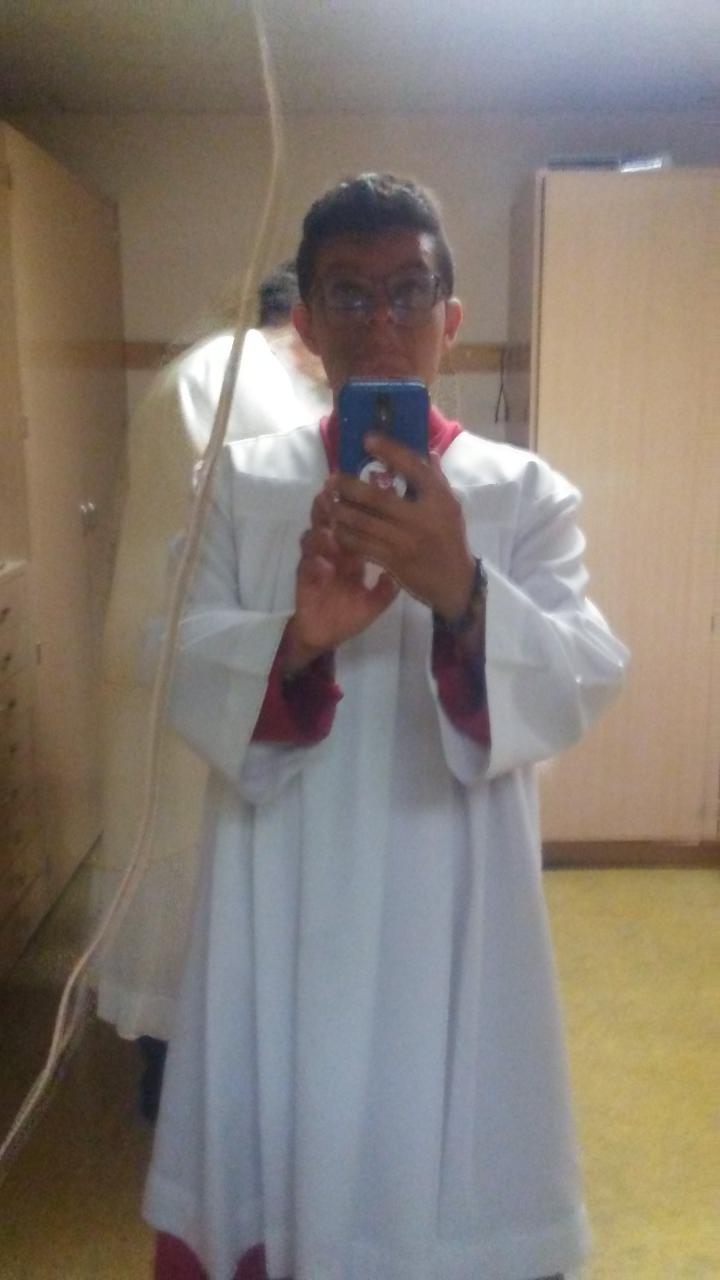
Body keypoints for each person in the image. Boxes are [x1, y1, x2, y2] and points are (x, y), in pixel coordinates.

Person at [143, 174, 629, 1280]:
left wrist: (463, 591)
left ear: (450, 318)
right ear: (306, 327)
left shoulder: (523, 495)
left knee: (446, 1136)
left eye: (408, 292)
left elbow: (584, 675)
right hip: (278, 885)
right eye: (348, 295)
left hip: (451, 894)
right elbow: (175, 660)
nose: (381, 323)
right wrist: (296, 642)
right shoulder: (236, 485)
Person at [92, 263, 329, 1117]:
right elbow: (289, 514)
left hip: (190, 658)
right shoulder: (239, 379)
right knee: (193, 870)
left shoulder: (207, 369)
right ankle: (184, 1086)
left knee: (181, 866)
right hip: (199, 663)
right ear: (303, 323)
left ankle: (185, 1071)